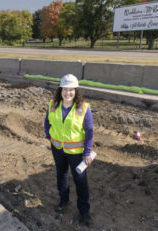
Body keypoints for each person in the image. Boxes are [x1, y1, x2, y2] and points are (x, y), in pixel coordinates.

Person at [44, 74, 94, 227]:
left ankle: (84, 212)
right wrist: (49, 136)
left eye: (71, 89)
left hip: (76, 152)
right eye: (65, 89)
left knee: (80, 181)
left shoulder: (84, 108)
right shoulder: (53, 104)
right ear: (60, 90)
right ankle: (63, 200)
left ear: (76, 91)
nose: (68, 93)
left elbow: (89, 131)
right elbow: (47, 121)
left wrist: (87, 152)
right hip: (58, 148)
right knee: (61, 175)